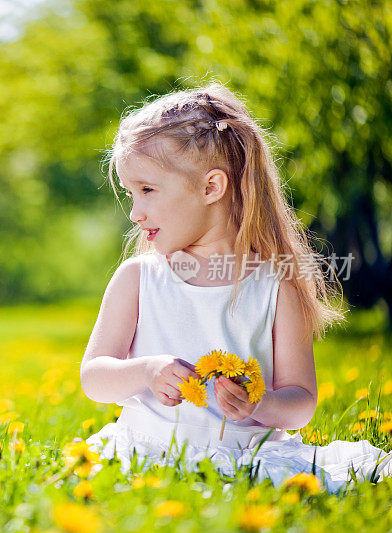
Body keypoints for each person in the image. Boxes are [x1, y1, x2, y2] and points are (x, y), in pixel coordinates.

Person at [80, 82, 391, 493]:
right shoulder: (138, 279)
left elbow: (300, 402)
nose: (135, 212)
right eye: (130, 193)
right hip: (149, 452)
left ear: (212, 187)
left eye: (148, 190)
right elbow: (94, 376)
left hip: (249, 459)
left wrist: (259, 405)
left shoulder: (277, 284)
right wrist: (147, 371)